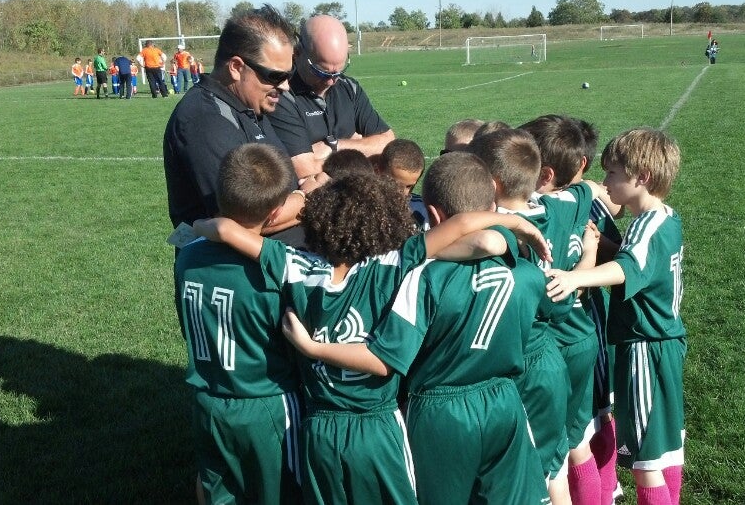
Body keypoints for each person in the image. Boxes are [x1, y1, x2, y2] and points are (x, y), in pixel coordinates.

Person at [194, 158, 551, 505]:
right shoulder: (394, 264)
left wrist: (197, 228)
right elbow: (462, 227)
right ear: (386, 224)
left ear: (317, 223)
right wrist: (516, 223)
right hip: (377, 427)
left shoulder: (295, 266)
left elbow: (225, 229)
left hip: (320, 428)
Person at [545, 127, 686, 505]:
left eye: (612, 174)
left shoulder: (645, 224)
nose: (605, 183)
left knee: (645, 460)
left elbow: (625, 269)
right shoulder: (666, 219)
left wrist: (576, 276)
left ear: (642, 178)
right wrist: (604, 243)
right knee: (665, 446)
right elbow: (635, 255)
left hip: (644, 346)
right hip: (666, 343)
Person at [468, 127, 604, 505]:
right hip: (565, 348)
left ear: (491, 184)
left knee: (533, 473)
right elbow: (586, 189)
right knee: (562, 457)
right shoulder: (560, 205)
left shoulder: (495, 231)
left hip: (528, 359)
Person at [174, 144, 304, 505]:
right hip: (266, 402)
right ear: (277, 211)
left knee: (219, 489)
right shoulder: (279, 269)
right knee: (282, 493)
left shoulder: (188, 255)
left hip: (208, 399)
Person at [521, 114, 625, 504]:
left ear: (543, 174)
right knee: (578, 439)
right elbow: (596, 190)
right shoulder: (581, 198)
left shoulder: (528, 213)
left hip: (552, 343)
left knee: (550, 456)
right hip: (582, 334)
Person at [163, 4, 313, 252]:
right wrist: (308, 198)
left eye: (290, 74)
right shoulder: (205, 119)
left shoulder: (251, 106)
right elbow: (246, 220)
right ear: (236, 67)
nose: (285, 86)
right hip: (237, 277)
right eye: (274, 76)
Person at [269, 14, 395, 181]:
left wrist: (334, 146)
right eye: (321, 72)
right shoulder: (281, 96)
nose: (332, 81)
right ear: (297, 54)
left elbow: (388, 144)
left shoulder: (350, 88)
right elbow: (303, 168)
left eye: (339, 71)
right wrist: (360, 146)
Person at [377, 138, 429, 232]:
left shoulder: (422, 210)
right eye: (396, 185)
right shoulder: (365, 210)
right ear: (379, 172)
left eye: (409, 186)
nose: (404, 193)